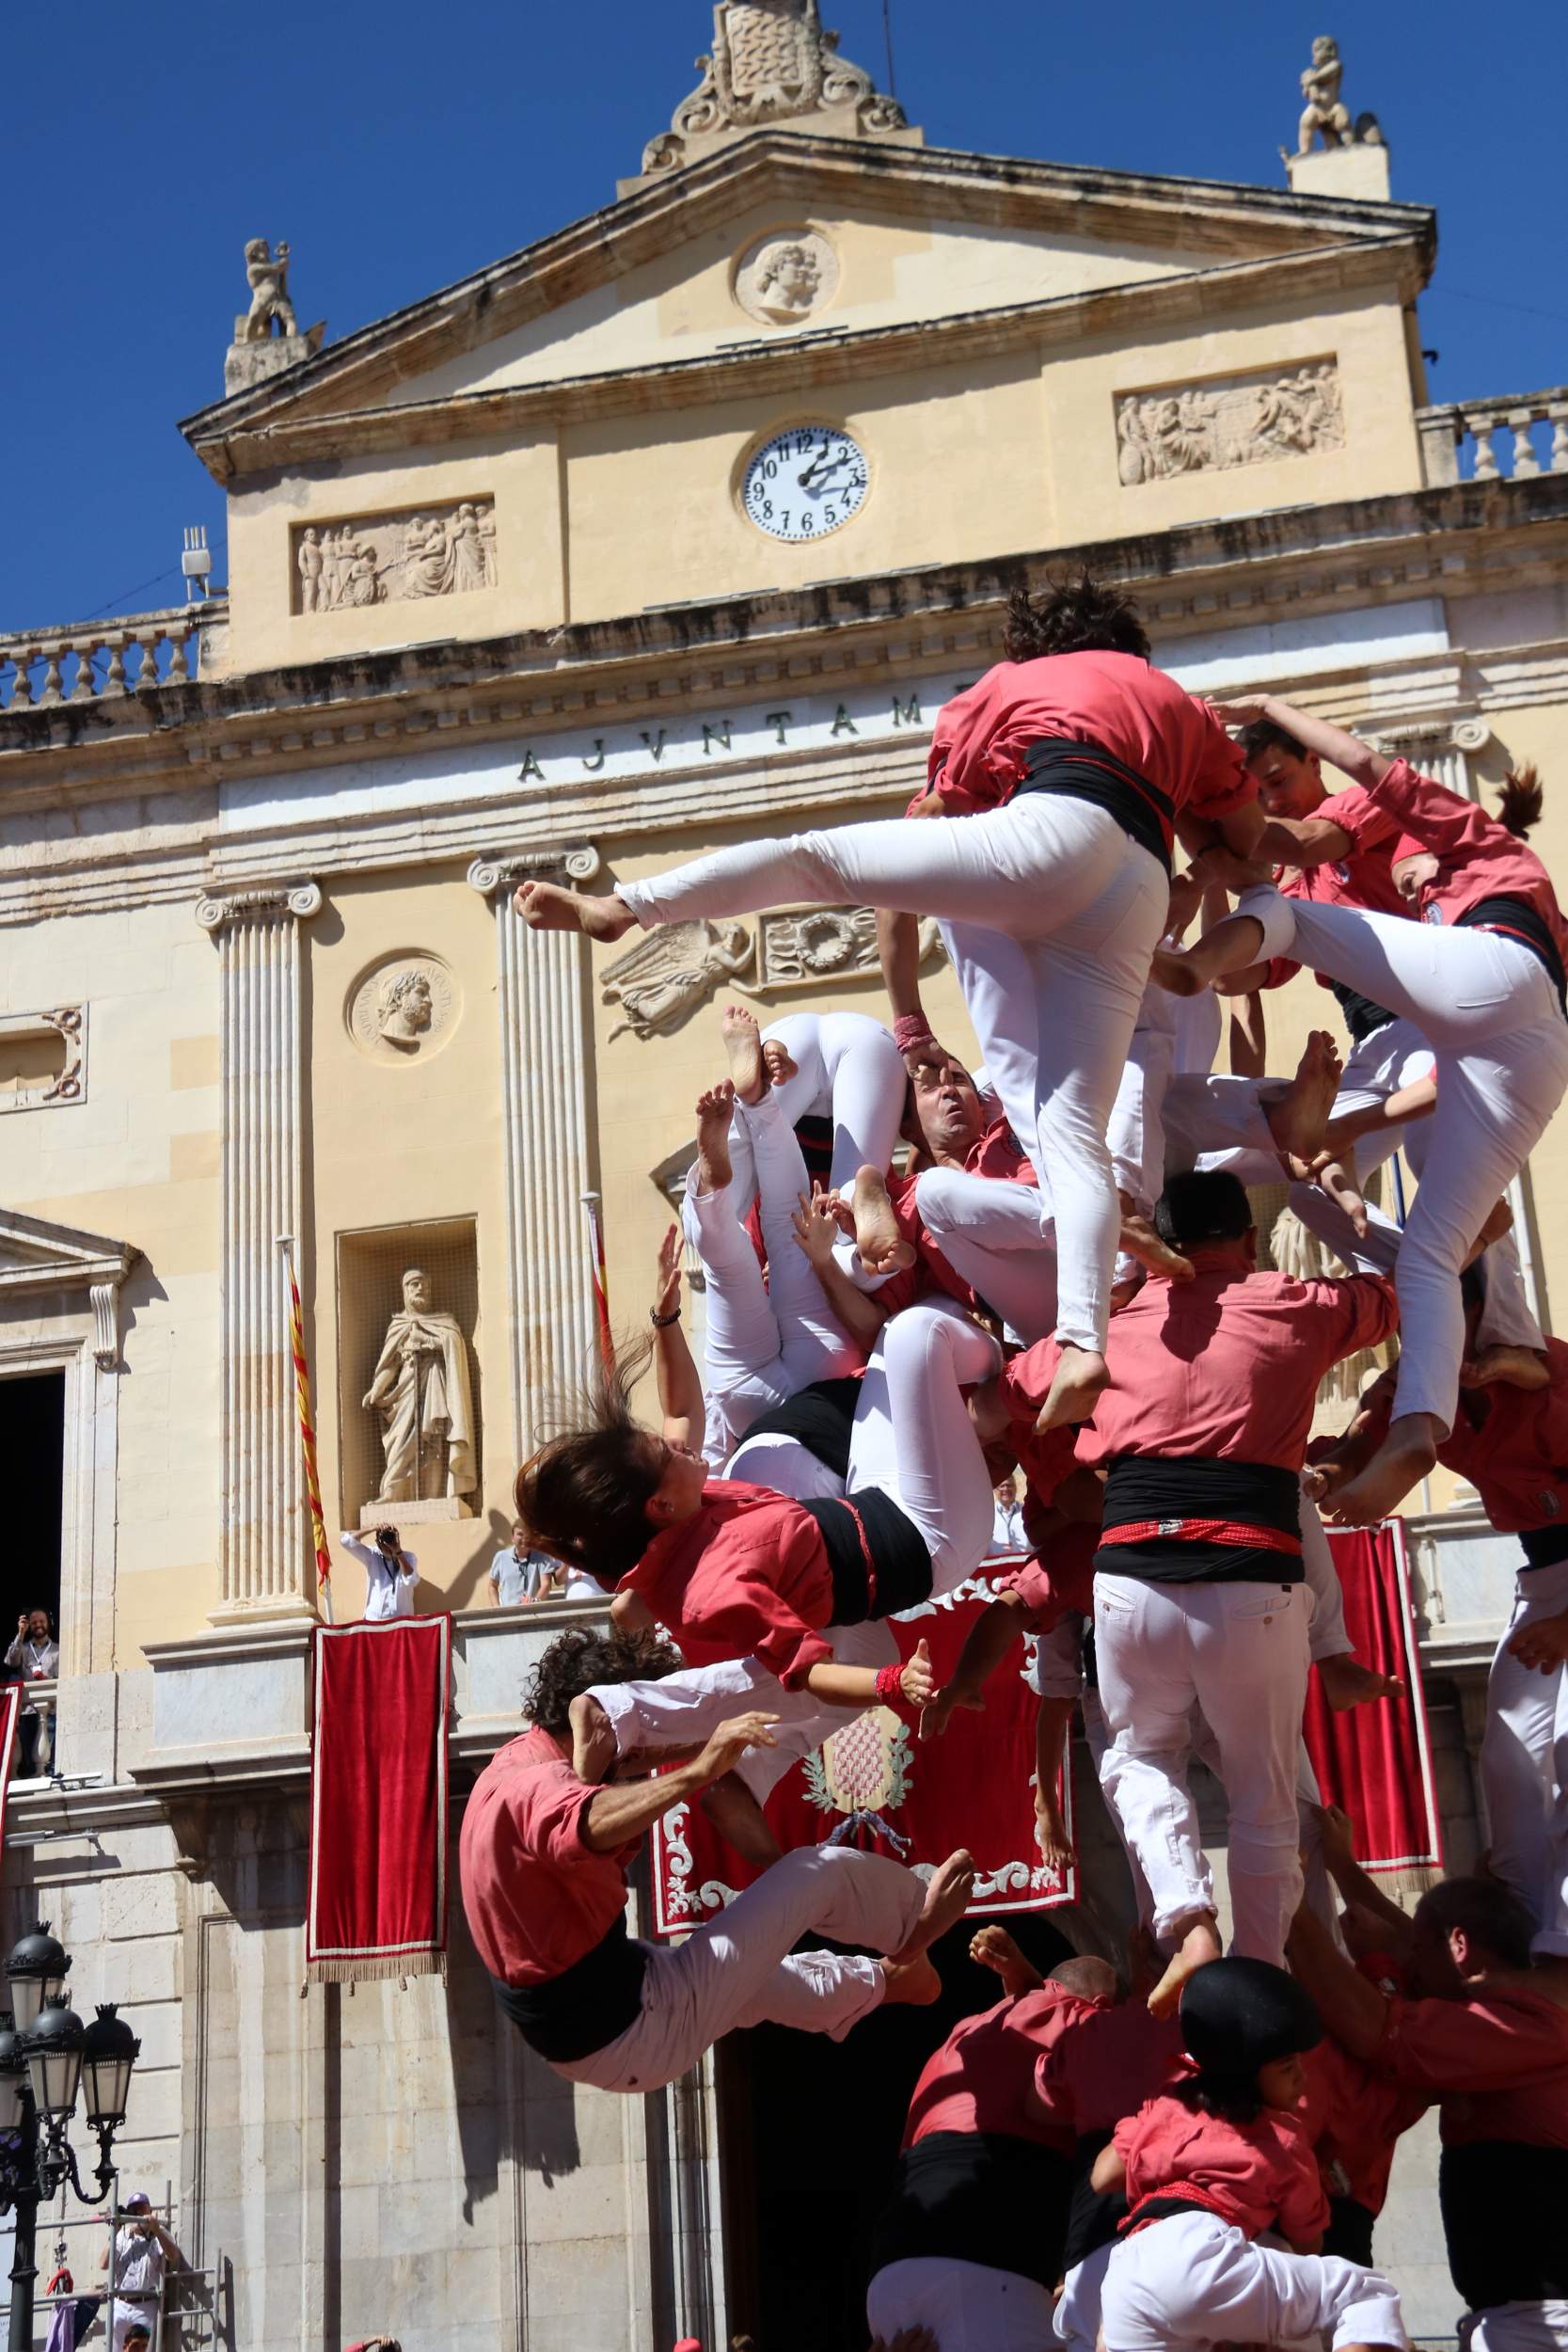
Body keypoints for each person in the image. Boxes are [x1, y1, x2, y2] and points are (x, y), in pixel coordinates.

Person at [515, 570, 1263, 1432]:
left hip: (1050, 827)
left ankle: (624, 906)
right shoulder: (1179, 703)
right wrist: (1208, 846)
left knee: (813, 859)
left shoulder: (1010, 684)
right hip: (1134, 880)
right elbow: (1245, 839)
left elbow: (935, 815)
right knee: (1072, 1129)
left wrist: (911, 987)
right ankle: (1083, 1344)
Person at [1157, 697, 1568, 1522]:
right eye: (1258, 786)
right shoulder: (1325, 871)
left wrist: (1210, 784)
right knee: (1334, 1203)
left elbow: (1322, 808)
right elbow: (1254, 959)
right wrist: (1207, 858)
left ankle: (1502, 1318)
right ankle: (1420, 1425)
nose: (1414, 880)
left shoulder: (1456, 843)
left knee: (1288, 926)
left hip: (1463, 998)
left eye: (1277, 777)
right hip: (1491, 1049)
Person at [1003, 1168, 1397, 2010]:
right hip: (1248, 1581)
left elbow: (1009, 1390)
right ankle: (1257, 1975)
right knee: (1262, 1795)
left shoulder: (1108, 1322)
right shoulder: (1294, 1302)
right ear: (1247, 1242)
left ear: (1158, 1247)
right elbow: (1399, 1292)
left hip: (1132, 1581)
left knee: (1137, 1759)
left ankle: (1187, 1920)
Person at [458, 1626, 975, 2092]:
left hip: (606, 2018)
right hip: (636, 2029)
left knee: (762, 1984)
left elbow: (594, 1793)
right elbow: (584, 1822)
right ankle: (913, 1925)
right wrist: (695, 1771)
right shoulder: (538, 1791)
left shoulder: (514, 1763)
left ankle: (886, 1983)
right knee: (813, 1873)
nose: (645, 1763)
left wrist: (702, 1751)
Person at [1058, 1958, 1407, 2352]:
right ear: (1247, 2072)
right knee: (1361, 2292)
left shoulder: (1166, 2107)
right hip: (1206, 2257)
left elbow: (1102, 2176)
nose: (1302, 2079)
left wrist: (1152, 2141)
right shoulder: (1283, 2138)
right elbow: (1308, 2244)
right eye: (1287, 2066)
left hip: (1129, 2274)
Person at [1289, 1876, 1568, 2351]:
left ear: (1459, 1944)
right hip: (1516, 2316)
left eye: (1416, 1950)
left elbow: (1378, 2031)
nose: (1408, 1967)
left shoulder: (1521, 2026)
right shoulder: (1507, 2019)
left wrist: (1285, 1894)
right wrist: (1339, 1863)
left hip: (1544, 2324)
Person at [865, 1944, 1117, 2352]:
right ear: (1103, 2004)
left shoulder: (965, 2032)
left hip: (894, 2278)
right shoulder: (1083, 2020)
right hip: (979, 2267)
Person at [99, 2194, 181, 2352]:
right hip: (120, 2302)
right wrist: (114, 2232)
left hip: (144, 2304)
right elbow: (103, 2263)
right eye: (134, 2210)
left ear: (150, 2209)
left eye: (142, 2209)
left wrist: (156, 2230)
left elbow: (173, 2256)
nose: (138, 2214)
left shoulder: (159, 2233)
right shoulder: (122, 2234)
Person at [6, 1606, 59, 1775]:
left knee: (47, 1757)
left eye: (41, 1621)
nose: (38, 1625)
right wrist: (20, 1634)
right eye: (34, 1622)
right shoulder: (23, 1647)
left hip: (49, 1711)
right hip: (27, 1712)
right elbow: (11, 1661)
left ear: (48, 1623)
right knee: (28, 1757)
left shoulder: (58, 1650)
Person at [337, 1526, 420, 1621]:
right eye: (385, 1541)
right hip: (374, 1620)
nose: (388, 1545)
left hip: (401, 1622)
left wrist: (398, 1552)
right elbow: (345, 1542)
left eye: (390, 1539)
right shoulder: (373, 1555)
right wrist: (372, 1528)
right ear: (377, 1542)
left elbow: (411, 1580)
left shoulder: (409, 1557)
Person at [488, 1522, 564, 1606]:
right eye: (520, 1534)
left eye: (527, 1535)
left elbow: (546, 1584)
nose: (524, 1538)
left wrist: (535, 1601)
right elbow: (492, 1586)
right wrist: (497, 1607)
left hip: (534, 1612)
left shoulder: (542, 1556)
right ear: (512, 1538)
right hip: (508, 1613)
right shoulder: (501, 1557)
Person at [992, 1475, 1029, 1555]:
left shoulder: (1027, 1511)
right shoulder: (989, 1515)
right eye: (1002, 1486)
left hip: (1024, 1563)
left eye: (1009, 1485)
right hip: (995, 1565)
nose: (1006, 1489)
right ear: (995, 1490)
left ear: (1015, 1488)